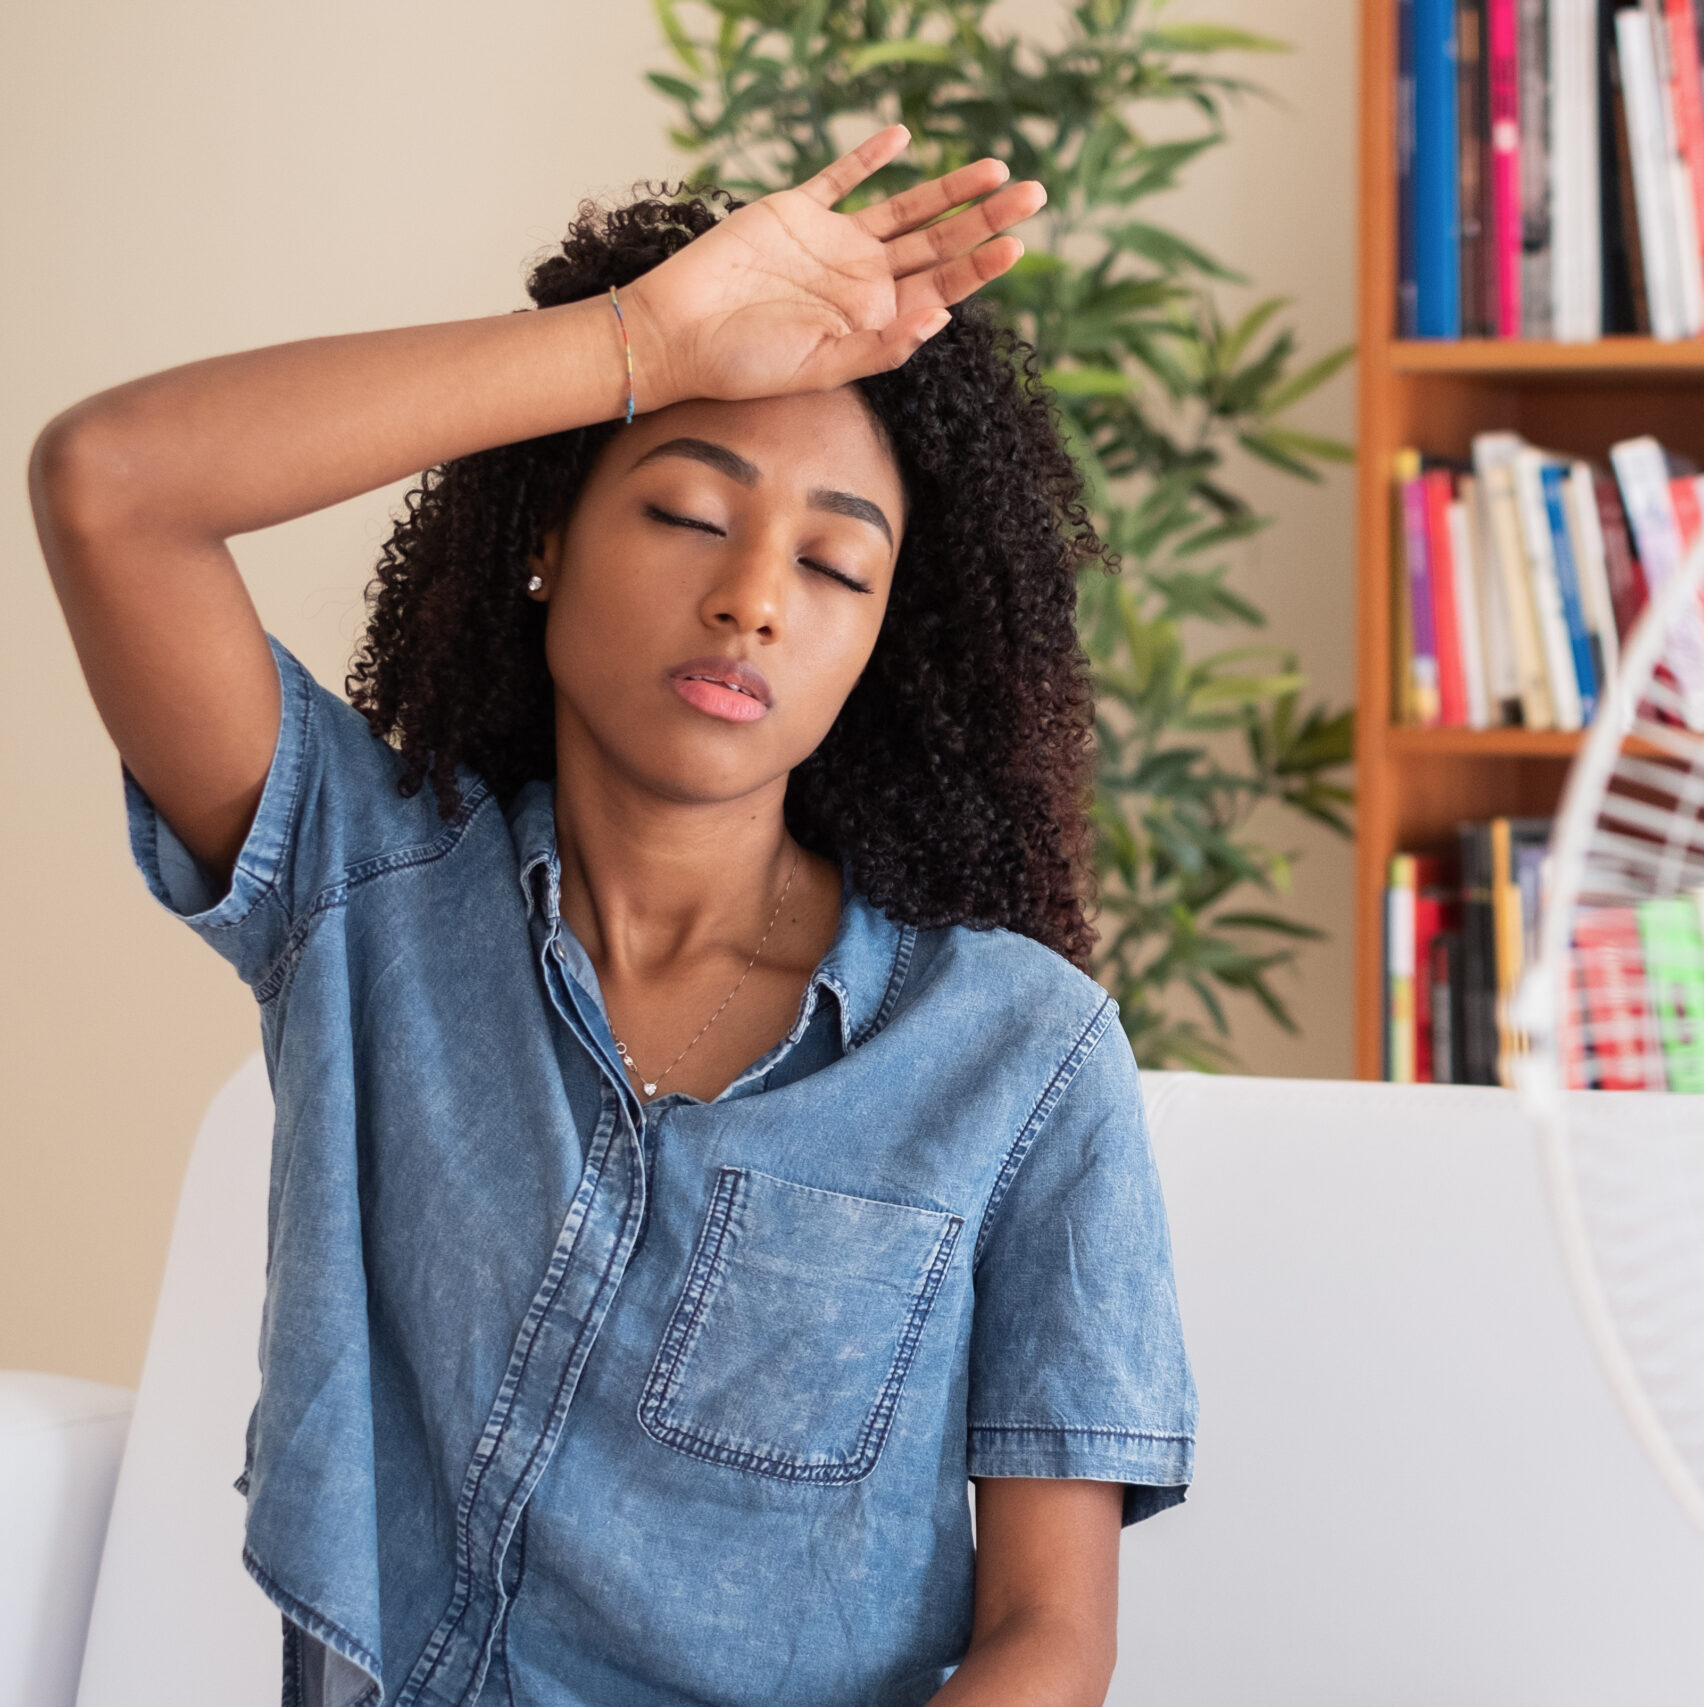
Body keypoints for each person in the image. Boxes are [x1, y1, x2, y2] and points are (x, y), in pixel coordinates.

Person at [30, 125, 1194, 1707]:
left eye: (838, 568)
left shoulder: (1022, 1055)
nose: (755, 598)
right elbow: (110, 486)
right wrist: (646, 344)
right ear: (542, 545)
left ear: (880, 655)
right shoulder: (365, 895)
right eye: (685, 515)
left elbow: (1048, 1641)